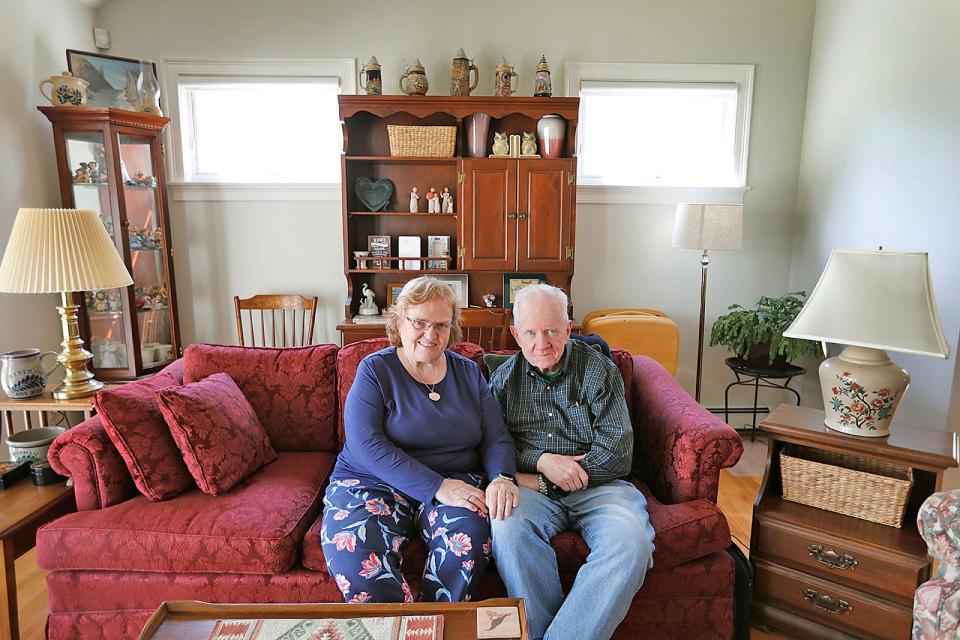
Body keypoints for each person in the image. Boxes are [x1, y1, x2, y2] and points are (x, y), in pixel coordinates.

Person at [321, 276, 519, 604]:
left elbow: (496, 437)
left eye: (441, 324)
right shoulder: (375, 371)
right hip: (373, 483)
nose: (431, 334)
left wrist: (501, 477)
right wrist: (437, 487)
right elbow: (365, 445)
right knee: (356, 558)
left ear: (453, 328)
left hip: (456, 481)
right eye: (419, 322)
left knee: (466, 547)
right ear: (399, 322)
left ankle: (435, 627)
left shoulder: (468, 373)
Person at [489, 284, 655, 640]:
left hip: (601, 486)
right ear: (516, 335)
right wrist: (542, 460)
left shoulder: (598, 371)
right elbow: (493, 446)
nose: (541, 343)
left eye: (551, 330)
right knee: (507, 528)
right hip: (532, 490)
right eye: (531, 332)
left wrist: (547, 478)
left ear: (568, 328)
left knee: (632, 545)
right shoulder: (503, 381)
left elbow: (617, 453)